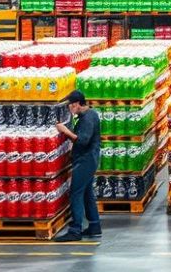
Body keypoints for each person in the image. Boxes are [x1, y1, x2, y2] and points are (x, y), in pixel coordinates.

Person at [53, 89, 101, 243]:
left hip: (85, 161)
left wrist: (65, 131)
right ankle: (94, 226)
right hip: (89, 159)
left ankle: (75, 230)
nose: (69, 109)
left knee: (76, 193)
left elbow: (82, 141)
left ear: (77, 105)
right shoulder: (88, 115)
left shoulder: (87, 119)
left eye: (70, 106)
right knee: (87, 193)